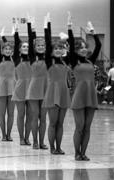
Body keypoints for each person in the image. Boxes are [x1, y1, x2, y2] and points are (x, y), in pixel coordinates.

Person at [69, 16, 102, 161]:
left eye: (84, 47)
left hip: (91, 95)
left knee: (87, 127)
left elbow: (99, 46)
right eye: (80, 48)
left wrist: (93, 33)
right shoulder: (73, 60)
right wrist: (69, 26)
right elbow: (70, 44)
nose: (83, 49)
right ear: (76, 50)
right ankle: (77, 153)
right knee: (80, 126)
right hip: (79, 96)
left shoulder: (91, 60)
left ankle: (83, 153)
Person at [43, 14, 71, 155]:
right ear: (52, 51)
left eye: (61, 48)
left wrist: (69, 28)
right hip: (52, 93)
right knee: (53, 123)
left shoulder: (66, 61)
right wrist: (47, 25)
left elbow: (70, 44)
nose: (58, 50)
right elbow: (48, 44)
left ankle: (59, 147)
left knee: (60, 123)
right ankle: (52, 148)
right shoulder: (49, 61)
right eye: (56, 48)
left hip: (64, 92)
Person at [26, 17, 48, 149]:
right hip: (34, 89)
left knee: (44, 118)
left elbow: (49, 42)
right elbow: (30, 39)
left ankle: (42, 141)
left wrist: (46, 27)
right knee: (35, 116)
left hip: (46, 89)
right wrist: (31, 27)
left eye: (43, 45)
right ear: (34, 47)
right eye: (38, 45)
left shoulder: (49, 58)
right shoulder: (32, 57)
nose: (40, 47)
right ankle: (34, 141)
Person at [11, 20, 32, 146]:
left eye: (27, 47)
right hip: (20, 88)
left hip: (31, 88)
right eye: (23, 47)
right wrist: (17, 30)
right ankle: (21, 138)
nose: (26, 48)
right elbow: (16, 43)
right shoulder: (17, 59)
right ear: (19, 49)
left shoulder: (33, 58)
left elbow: (32, 38)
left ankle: (27, 137)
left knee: (30, 115)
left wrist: (31, 27)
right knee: (21, 115)